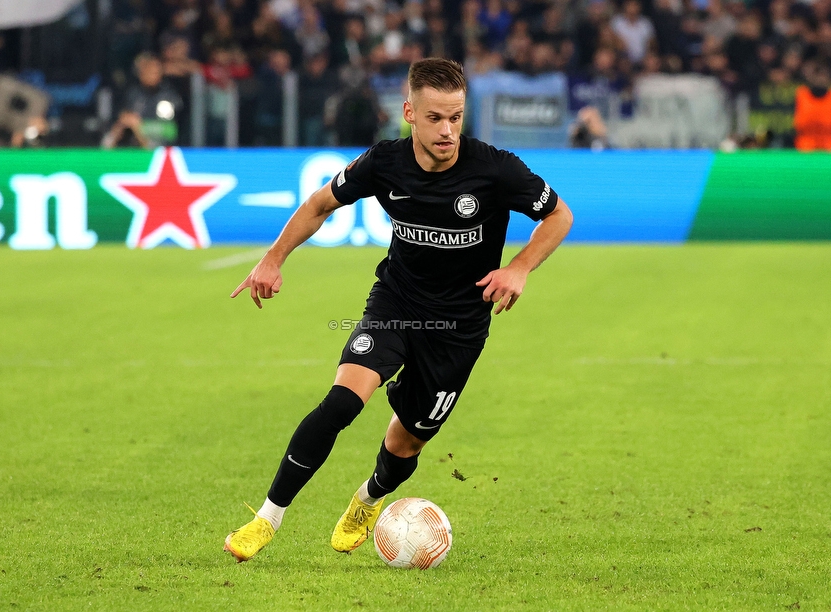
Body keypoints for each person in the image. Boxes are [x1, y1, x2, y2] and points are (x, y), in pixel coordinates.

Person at [224, 57, 574, 562]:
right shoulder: (384, 163)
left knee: (406, 443)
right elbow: (320, 204)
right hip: (397, 304)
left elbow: (559, 215)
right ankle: (266, 518)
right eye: (435, 118)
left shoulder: (496, 169)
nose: (448, 130)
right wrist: (273, 259)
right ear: (409, 112)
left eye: (456, 117)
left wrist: (518, 267)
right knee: (342, 402)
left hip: (458, 328)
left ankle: (367, 500)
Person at [793, 60, 831, 151]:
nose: (820, 80)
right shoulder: (801, 94)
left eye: (824, 76)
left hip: (830, 145)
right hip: (805, 145)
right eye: (817, 76)